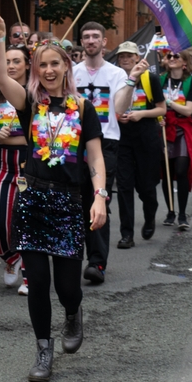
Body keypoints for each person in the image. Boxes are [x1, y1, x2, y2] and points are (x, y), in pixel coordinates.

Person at [0, 14, 107, 382]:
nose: (50, 69)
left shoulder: (83, 109)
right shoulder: (29, 104)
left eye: (56, 63)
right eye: (43, 64)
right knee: (37, 281)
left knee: (67, 286)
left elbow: (96, 156)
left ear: (66, 66)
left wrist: (99, 197)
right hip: (33, 201)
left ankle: (73, 312)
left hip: (69, 203)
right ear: (36, 70)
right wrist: (0, 40)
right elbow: (0, 78)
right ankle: (43, 347)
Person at [72, 22, 126, 284]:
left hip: (106, 142)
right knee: (74, 199)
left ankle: (97, 262)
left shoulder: (116, 74)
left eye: (95, 37)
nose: (91, 40)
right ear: (81, 42)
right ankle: (71, 254)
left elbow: (119, 109)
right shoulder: (71, 73)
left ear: (105, 42)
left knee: (98, 199)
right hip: (74, 141)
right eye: (86, 37)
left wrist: (132, 80)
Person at [0, 44, 30, 294]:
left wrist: (13, 138)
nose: (11, 66)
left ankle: (31, 274)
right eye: (7, 61)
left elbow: (35, 136)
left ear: (27, 65)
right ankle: (12, 259)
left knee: (29, 219)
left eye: (16, 61)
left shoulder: (35, 92)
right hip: (3, 163)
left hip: (29, 163)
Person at [112, 42, 166, 243]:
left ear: (137, 58)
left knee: (146, 187)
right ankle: (127, 235)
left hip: (147, 138)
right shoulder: (115, 79)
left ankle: (150, 216)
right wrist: (118, 116)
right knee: (125, 186)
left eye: (129, 55)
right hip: (122, 138)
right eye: (121, 56)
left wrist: (140, 114)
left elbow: (161, 109)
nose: (125, 59)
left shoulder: (150, 79)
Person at [160, 49, 192, 230]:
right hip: (163, 129)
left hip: (182, 129)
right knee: (166, 171)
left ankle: (182, 214)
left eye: (176, 56)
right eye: (169, 56)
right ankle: (170, 211)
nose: (172, 59)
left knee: (181, 169)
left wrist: (168, 103)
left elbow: (189, 110)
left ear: (184, 62)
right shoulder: (160, 80)